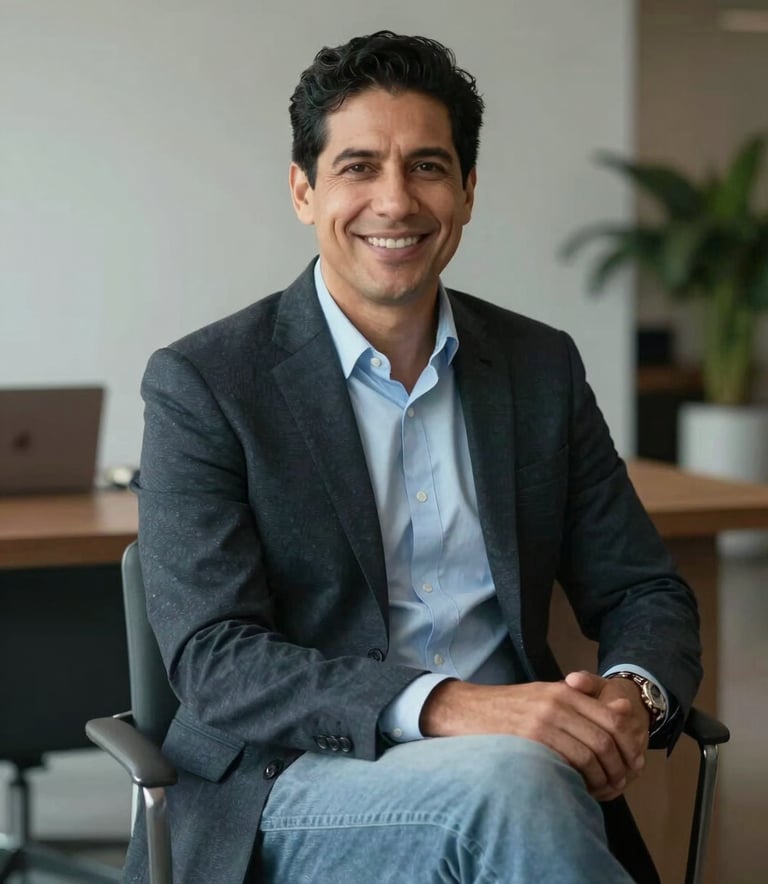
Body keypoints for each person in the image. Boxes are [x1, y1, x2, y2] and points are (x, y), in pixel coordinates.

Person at [126, 30, 701, 884]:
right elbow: (216, 656)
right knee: (513, 782)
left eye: (428, 166)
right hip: (292, 781)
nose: (395, 202)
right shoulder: (205, 383)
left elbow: (642, 588)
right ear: (303, 190)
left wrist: (629, 698)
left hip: (530, 776)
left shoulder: (539, 367)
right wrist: (452, 707)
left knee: (519, 782)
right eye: (358, 167)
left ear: (468, 192)